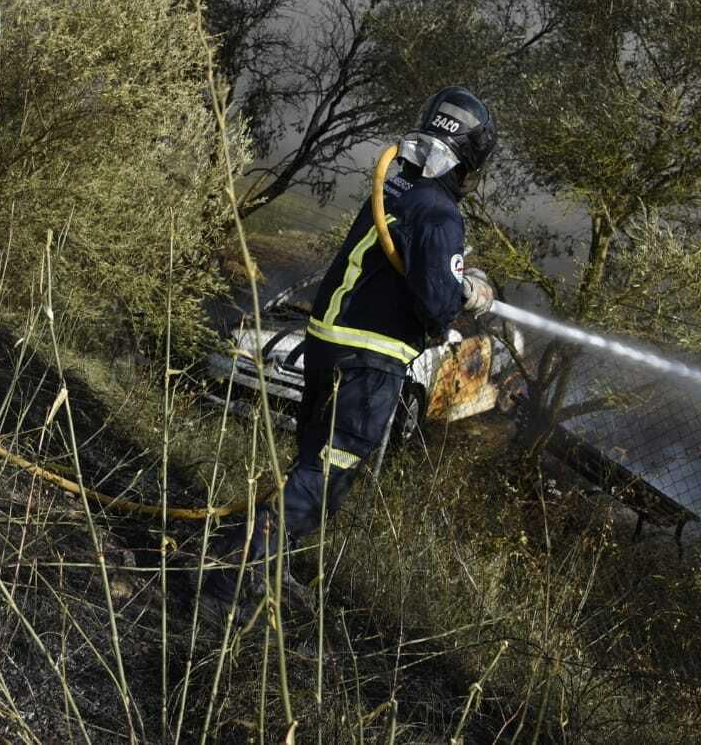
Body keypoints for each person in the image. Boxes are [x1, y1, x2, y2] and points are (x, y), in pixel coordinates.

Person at [204, 86, 498, 613]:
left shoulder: (397, 187)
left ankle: (266, 571)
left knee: (312, 466)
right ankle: (229, 578)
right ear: (469, 163)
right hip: (369, 362)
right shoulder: (440, 213)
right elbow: (435, 305)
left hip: (327, 345)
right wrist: (469, 291)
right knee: (325, 477)